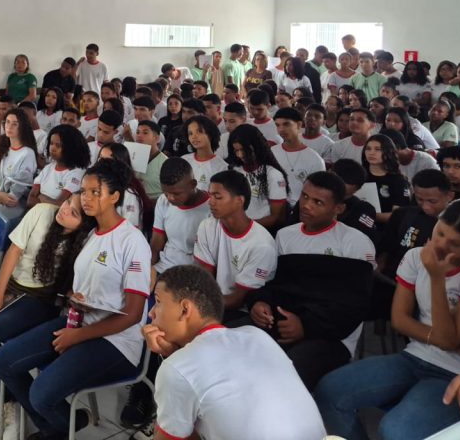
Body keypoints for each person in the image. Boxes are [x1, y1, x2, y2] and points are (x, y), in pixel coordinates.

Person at [316, 200, 460, 440]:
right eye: (440, 233)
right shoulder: (415, 257)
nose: (441, 246)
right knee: (329, 391)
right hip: (415, 356)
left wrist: (437, 278)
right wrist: (450, 341)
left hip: (459, 372)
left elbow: (447, 339)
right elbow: (400, 320)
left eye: (455, 243)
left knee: (396, 431)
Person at [0, 159, 151, 440]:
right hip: (79, 322)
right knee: (3, 360)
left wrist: (76, 336)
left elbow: (133, 314)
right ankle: (63, 424)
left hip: (115, 341)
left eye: (95, 192)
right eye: (84, 191)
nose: (86, 198)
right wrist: (72, 297)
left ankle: (56, 429)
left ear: (114, 197)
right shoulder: (91, 234)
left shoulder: (132, 241)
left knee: (40, 393)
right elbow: (83, 287)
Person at [0, 194, 96, 439]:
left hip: (40, 300)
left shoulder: (84, 241)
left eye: (74, 213)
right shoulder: (42, 212)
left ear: (83, 225)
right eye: (68, 202)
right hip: (10, 288)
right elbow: (13, 252)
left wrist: (75, 295)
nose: (65, 209)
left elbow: (74, 282)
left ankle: (12, 403)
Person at [142, 264, 326, 440]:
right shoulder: (256, 335)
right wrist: (175, 355)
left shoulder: (177, 369)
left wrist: (173, 360)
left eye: (158, 302)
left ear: (184, 309)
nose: (151, 313)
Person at [248, 172, 375, 389]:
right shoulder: (285, 236)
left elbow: (353, 306)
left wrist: (305, 326)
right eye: (304, 196)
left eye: (318, 202)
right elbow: (275, 284)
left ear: (338, 208)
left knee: (288, 372)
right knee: (235, 344)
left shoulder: (355, 243)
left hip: (333, 336)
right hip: (283, 323)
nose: (306, 206)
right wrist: (259, 303)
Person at [194, 170, 278, 315]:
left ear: (239, 201)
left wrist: (200, 304)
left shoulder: (262, 245)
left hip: (242, 311)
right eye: (210, 195)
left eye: (218, 197)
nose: (210, 202)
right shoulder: (207, 226)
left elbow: (237, 299)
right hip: (212, 301)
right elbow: (205, 277)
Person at [152, 157, 211, 274]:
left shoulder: (211, 209)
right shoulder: (163, 201)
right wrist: (149, 269)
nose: (170, 198)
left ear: (193, 184)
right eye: (166, 193)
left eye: (176, 193)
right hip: (164, 266)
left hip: (194, 272)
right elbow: (156, 243)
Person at [227, 124, 288, 230]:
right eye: (236, 150)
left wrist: (245, 226)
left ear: (256, 147)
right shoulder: (234, 171)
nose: (240, 155)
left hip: (261, 230)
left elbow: (277, 218)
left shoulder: (273, 174)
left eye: (244, 150)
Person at [271, 108, 326, 207]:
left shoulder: (315, 159)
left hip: (300, 209)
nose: (281, 129)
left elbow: (318, 192)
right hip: (273, 206)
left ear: (299, 125)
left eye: (286, 124)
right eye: (278, 125)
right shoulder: (271, 152)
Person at [29, 124, 89, 207]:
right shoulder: (48, 168)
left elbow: (60, 205)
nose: (52, 148)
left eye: (58, 145)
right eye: (51, 143)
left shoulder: (76, 173)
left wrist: (41, 197)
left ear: (70, 148)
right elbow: (30, 200)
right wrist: (49, 201)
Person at [362, 133, 413, 223]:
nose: (371, 153)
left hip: (385, 228)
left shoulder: (398, 180)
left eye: (378, 149)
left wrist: (367, 216)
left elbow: (398, 216)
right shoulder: (359, 175)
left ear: (388, 152)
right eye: (368, 149)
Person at [182, 115, 227, 191]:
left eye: (199, 132)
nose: (194, 137)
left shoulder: (221, 167)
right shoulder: (184, 160)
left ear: (210, 134)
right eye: (190, 133)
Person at [133, 119, 165, 200]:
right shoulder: (132, 155)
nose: (139, 135)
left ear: (157, 138)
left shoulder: (165, 162)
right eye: (137, 132)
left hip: (155, 204)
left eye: (145, 133)